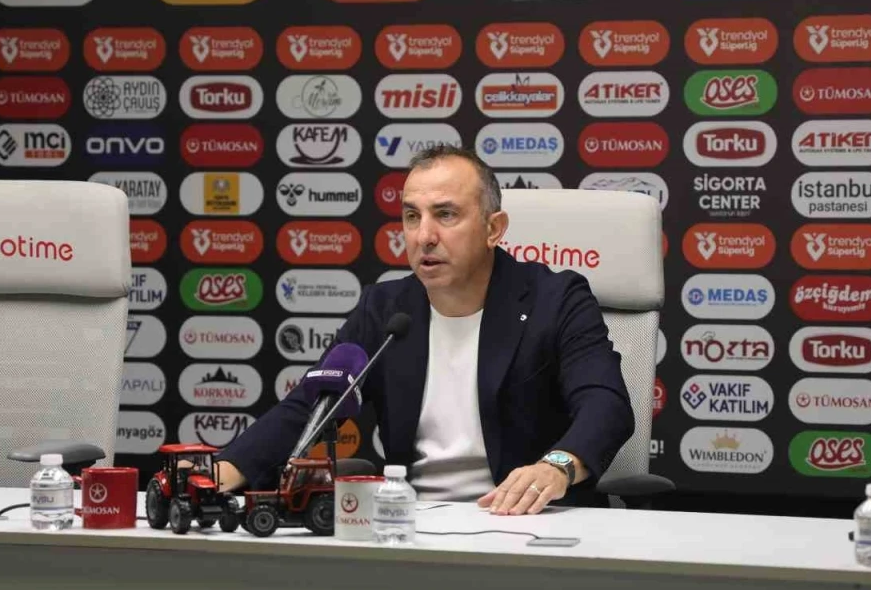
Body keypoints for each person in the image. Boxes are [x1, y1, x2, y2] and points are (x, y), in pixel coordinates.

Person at [212, 144, 635, 515]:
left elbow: (605, 405)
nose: (424, 236)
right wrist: (219, 473)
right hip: (410, 523)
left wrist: (556, 467)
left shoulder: (555, 299)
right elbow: (312, 407)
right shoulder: (385, 309)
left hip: (527, 520)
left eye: (446, 215)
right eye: (412, 217)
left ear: (493, 229)